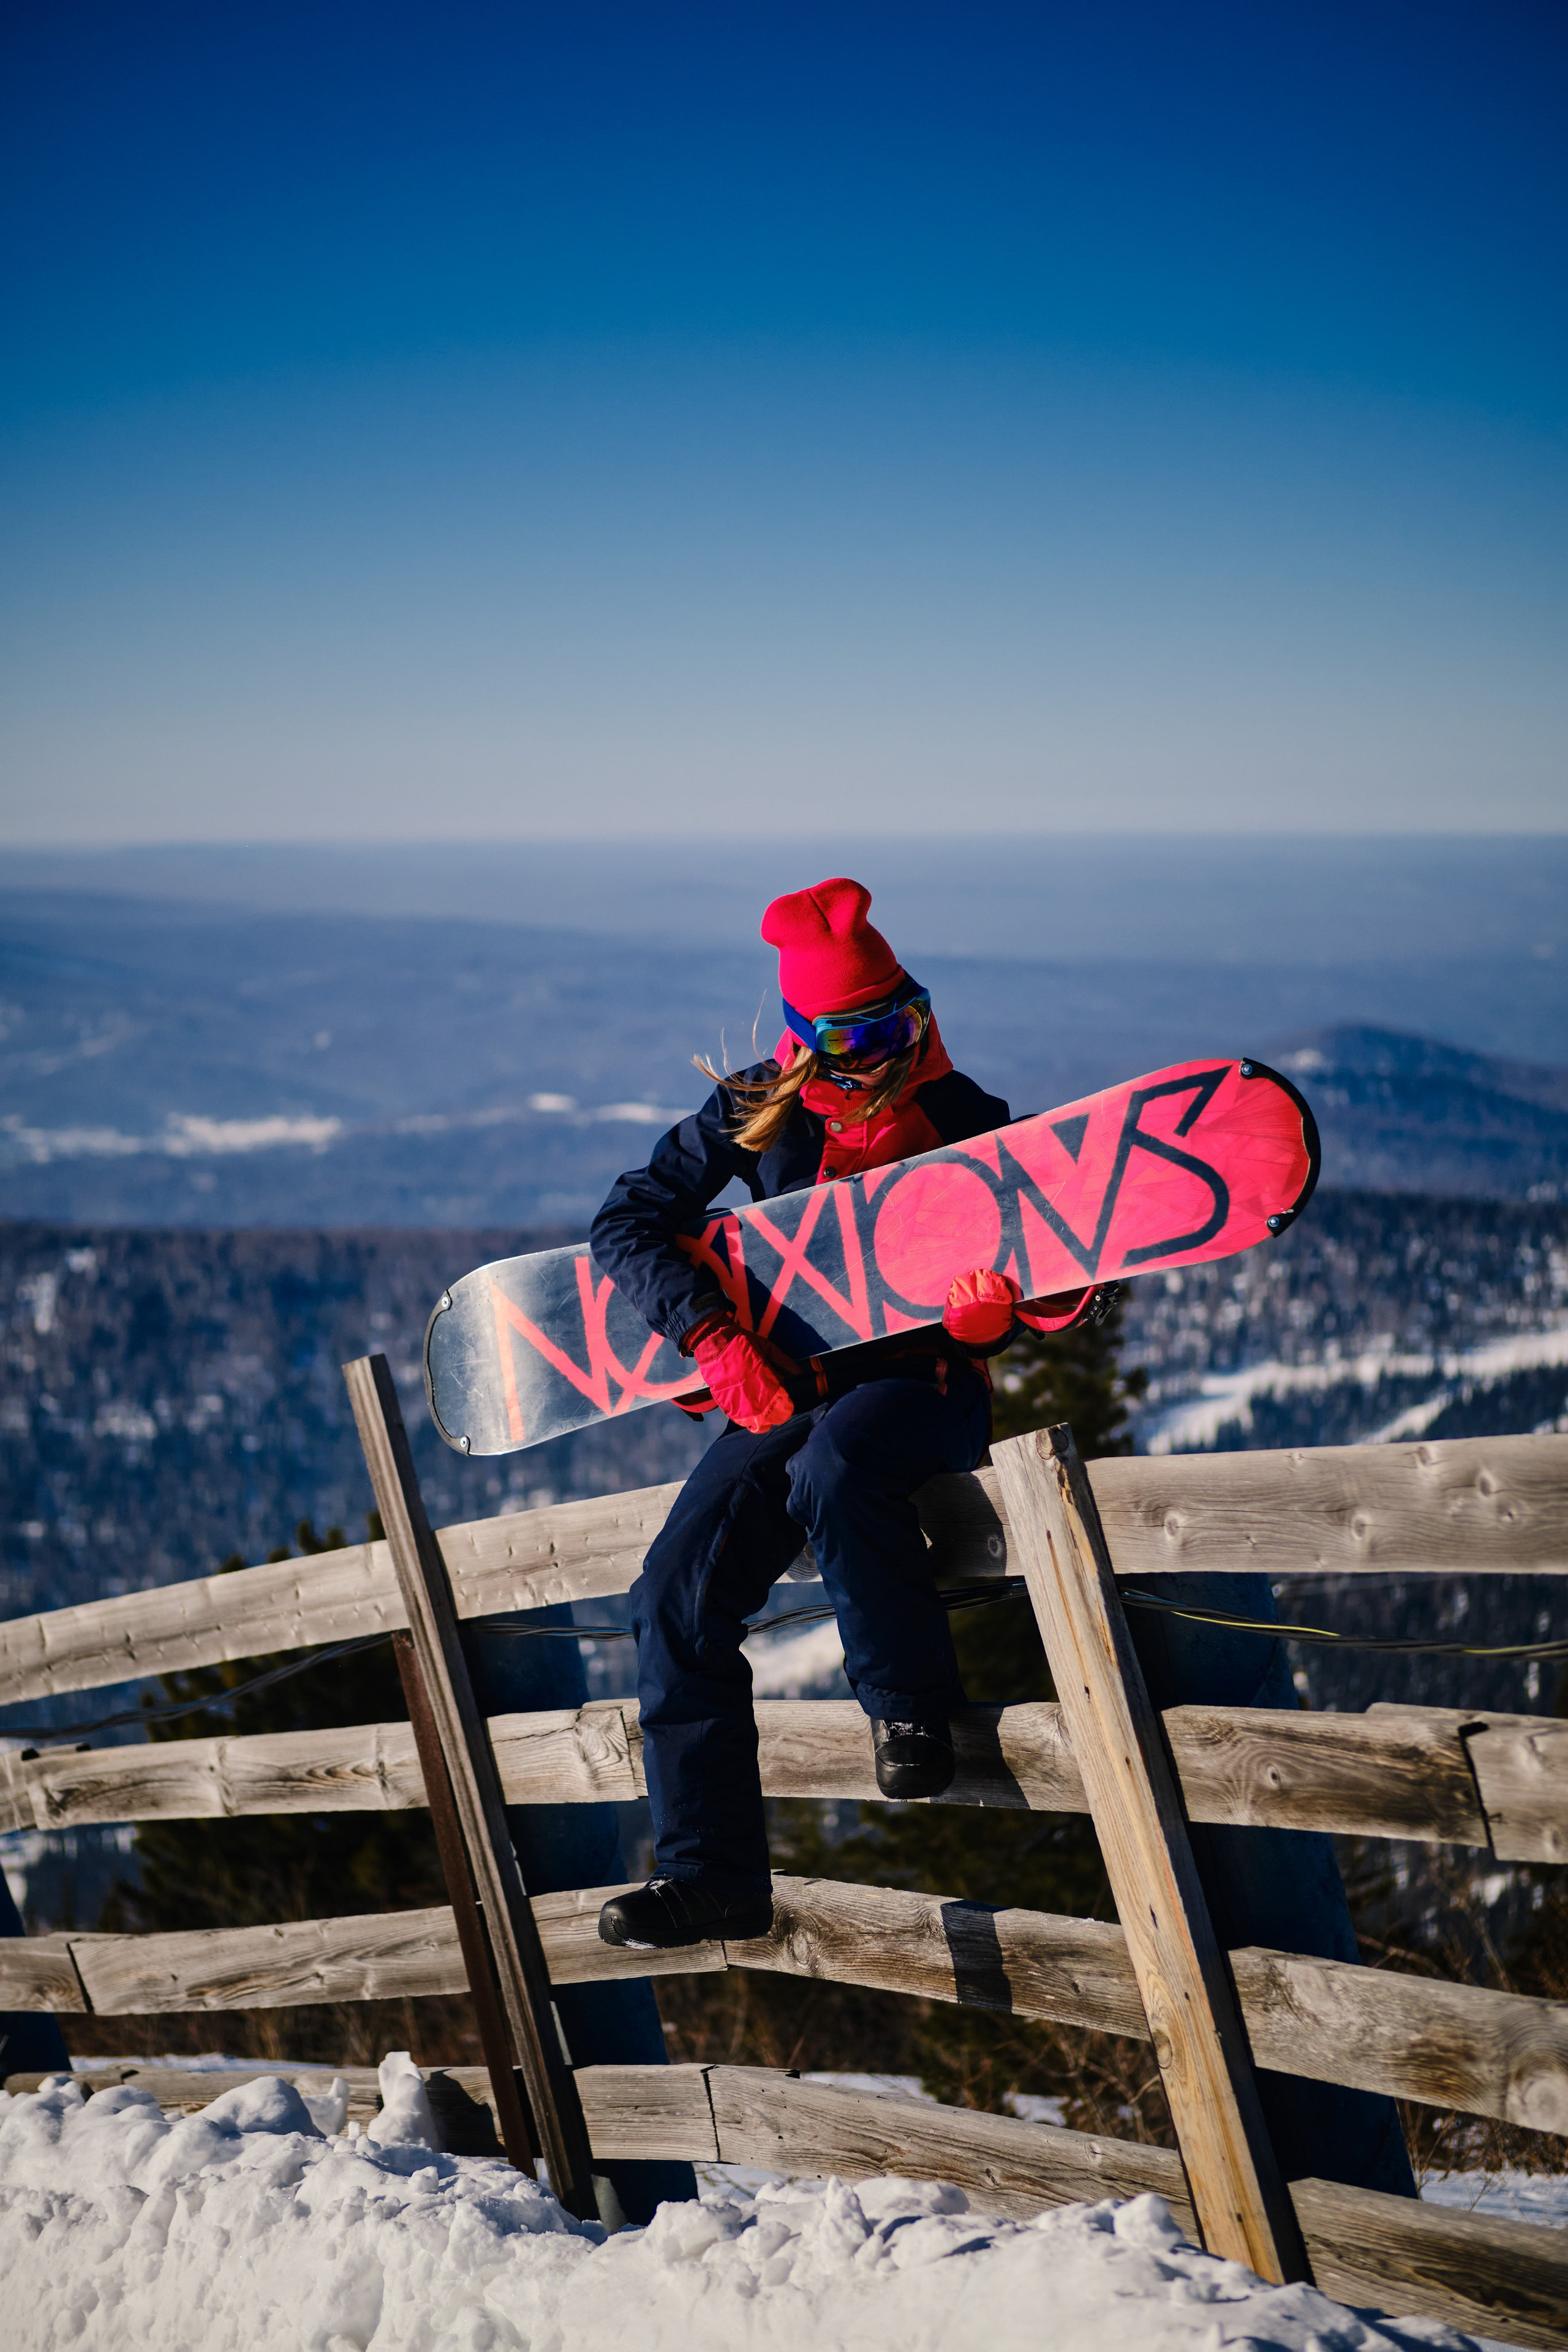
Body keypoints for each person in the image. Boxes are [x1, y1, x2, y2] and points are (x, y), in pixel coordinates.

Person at [590, 875, 1022, 1950]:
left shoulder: (967, 1120)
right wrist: (710, 1338)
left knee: (841, 1469)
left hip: (921, 1383)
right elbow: (628, 1221)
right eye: (848, 1034)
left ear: (918, 1013)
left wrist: (991, 1322)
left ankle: (911, 1707)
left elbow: (1057, 1259)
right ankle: (712, 1875)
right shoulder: (752, 1114)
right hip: (784, 1383)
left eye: (894, 1023)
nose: (875, 1053)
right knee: (672, 1595)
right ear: (803, 1040)